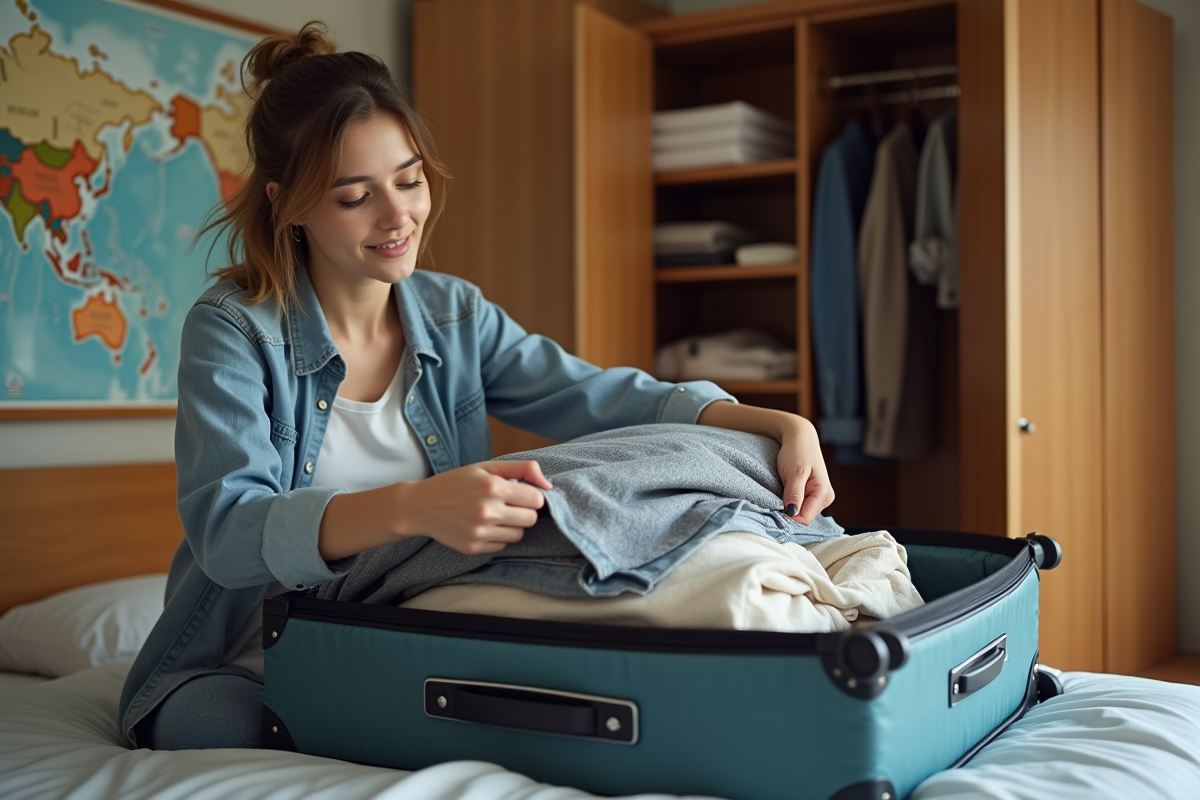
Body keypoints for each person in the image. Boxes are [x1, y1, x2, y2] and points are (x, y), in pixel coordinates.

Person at [119, 21, 835, 751]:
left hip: (403, 640)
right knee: (238, 733)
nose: (398, 216)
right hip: (242, 659)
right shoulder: (233, 331)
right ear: (288, 203)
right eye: (354, 196)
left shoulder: (454, 314)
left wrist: (772, 424)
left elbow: (602, 396)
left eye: (410, 179)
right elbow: (230, 535)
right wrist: (416, 507)